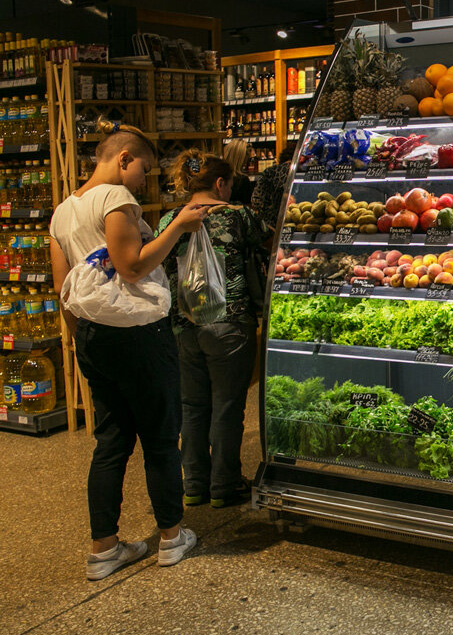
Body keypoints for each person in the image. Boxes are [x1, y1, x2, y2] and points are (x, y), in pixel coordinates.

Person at [49, 120, 209, 581]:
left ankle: (104, 548)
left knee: (111, 441)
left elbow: (65, 290)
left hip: (93, 336)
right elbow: (134, 267)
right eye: (144, 169)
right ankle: (172, 537)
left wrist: (80, 339)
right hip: (139, 334)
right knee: (161, 438)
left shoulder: (62, 212)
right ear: (123, 158)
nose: (145, 179)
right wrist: (178, 224)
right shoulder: (117, 199)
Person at [159, 150, 271, 511]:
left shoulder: (169, 220)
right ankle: (223, 485)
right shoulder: (238, 217)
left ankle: (193, 484)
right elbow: (271, 239)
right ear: (221, 183)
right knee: (227, 406)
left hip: (184, 325)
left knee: (192, 406)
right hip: (229, 322)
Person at [250, 140, 295, 226]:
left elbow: (256, 201)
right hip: (296, 222)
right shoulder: (301, 172)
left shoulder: (270, 172)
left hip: (271, 226)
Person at [222, 138, 255, 205]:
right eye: (245, 160)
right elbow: (247, 206)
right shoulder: (242, 180)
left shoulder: (216, 175)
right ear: (241, 159)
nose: (246, 164)